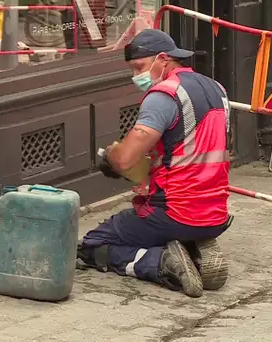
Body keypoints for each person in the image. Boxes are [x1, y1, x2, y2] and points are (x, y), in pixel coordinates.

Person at [77, 29, 232, 298]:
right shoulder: (216, 89)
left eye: (139, 67)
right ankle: (193, 247)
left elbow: (125, 159)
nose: (135, 75)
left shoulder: (164, 95)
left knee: (92, 244)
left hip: (174, 212)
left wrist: (111, 157)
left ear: (163, 59)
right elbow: (190, 150)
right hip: (216, 213)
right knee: (156, 219)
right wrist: (152, 177)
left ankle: (162, 263)